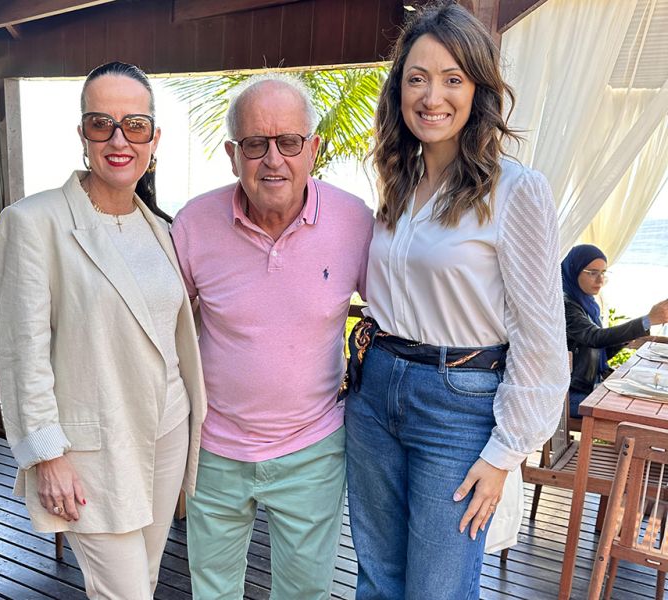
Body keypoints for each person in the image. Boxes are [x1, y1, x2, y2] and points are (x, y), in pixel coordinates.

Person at [344, 5, 569, 598]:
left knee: (439, 587)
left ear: (479, 90)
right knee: (378, 579)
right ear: (399, 91)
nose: (432, 96)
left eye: (452, 78)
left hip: (458, 406)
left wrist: (504, 455)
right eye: (417, 78)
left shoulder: (516, 190)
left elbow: (541, 337)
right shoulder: (398, 183)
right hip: (374, 390)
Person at [0, 61, 206, 600]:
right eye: (100, 123)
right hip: (93, 446)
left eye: (134, 125)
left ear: (154, 138)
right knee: (125, 591)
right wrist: (46, 454)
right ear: (82, 134)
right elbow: (22, 352)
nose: (118, 139)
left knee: (148, 580)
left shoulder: (161, 228)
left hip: (166, 433)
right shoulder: (33, 221)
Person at [171, 74, 374, 599]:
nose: (273, 160)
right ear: (232, 153)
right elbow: (160, 325)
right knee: (212, 591)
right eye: (255, 144)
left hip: (313, 447)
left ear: (314, 148)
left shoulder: (355, 222)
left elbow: (403, 313)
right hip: (215, 447)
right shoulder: (193, 224)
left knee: (303, 594)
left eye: (289, 142)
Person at [562, 243, 668, 417]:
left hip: (591, 386)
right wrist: (647, 321)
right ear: (573, 270)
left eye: (603, 273)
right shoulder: (567, 305)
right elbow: (594, 338)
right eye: (592, 273)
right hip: (571, 396)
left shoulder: (587, 304)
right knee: (641, 413)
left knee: (650, 403)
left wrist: (630, 336)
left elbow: (598, 351)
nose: (600, 280)